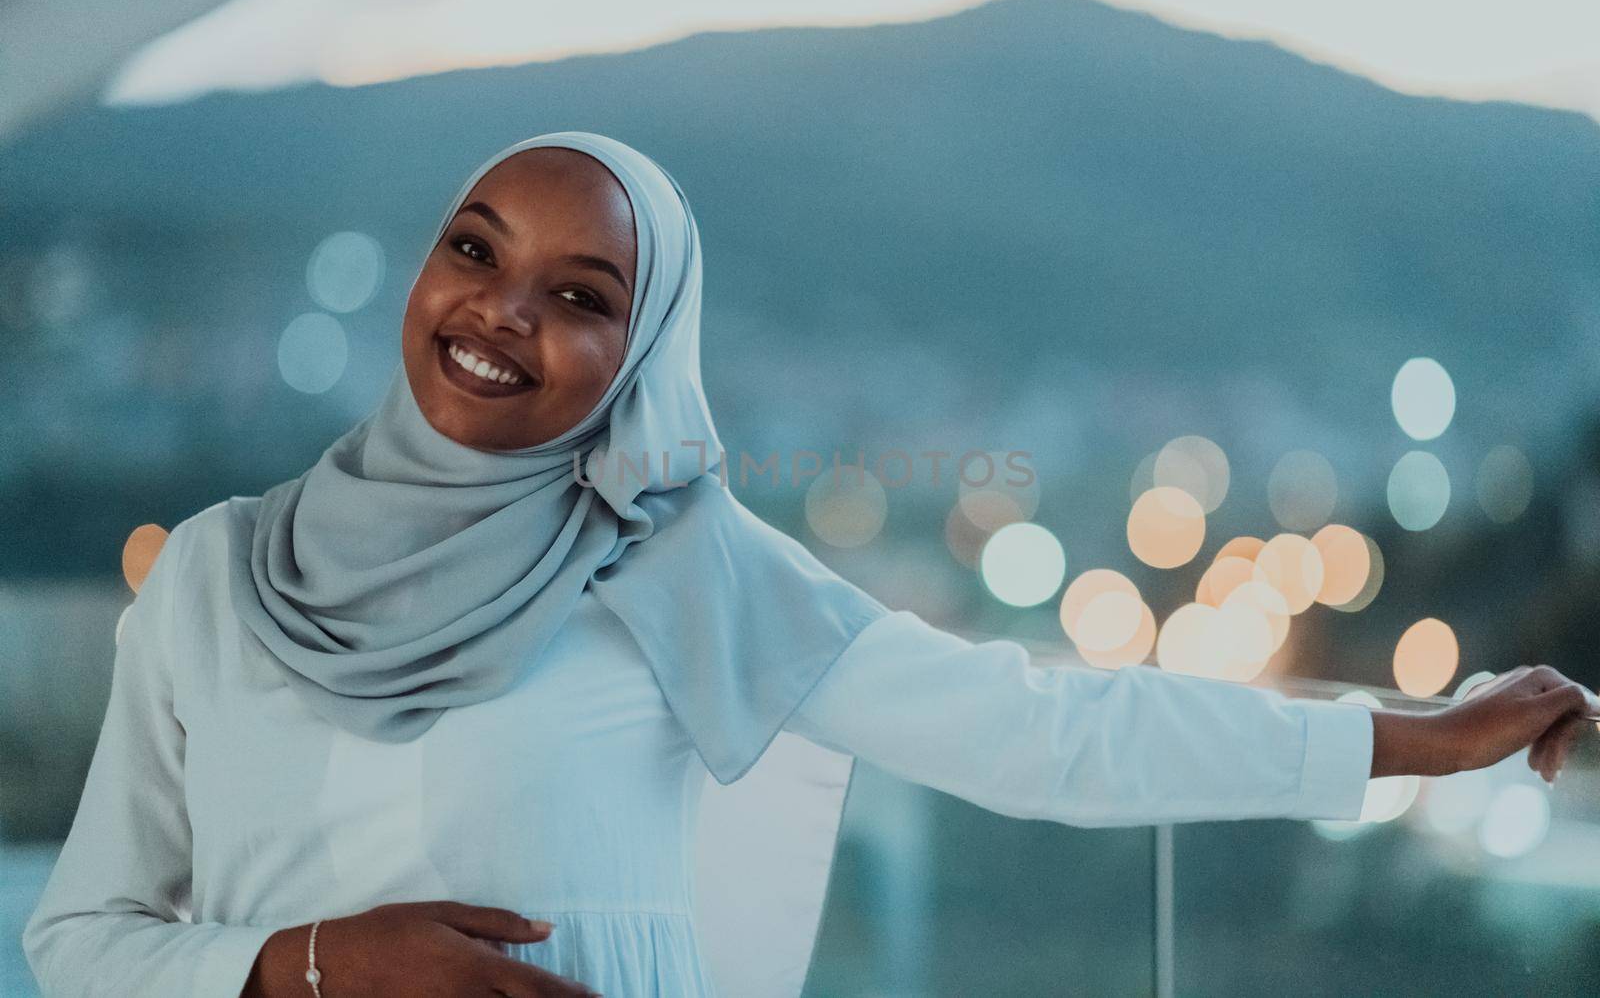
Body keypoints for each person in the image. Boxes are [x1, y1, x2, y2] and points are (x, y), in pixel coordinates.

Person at [22, 132, 1599, 998]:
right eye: (476, 246)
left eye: (584, 295)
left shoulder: (669, 562)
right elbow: (81, 949)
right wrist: (313, 971)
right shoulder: (221, 580)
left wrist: (1404, 735)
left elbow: (1037, 732)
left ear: (642, 360)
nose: (504, 312)